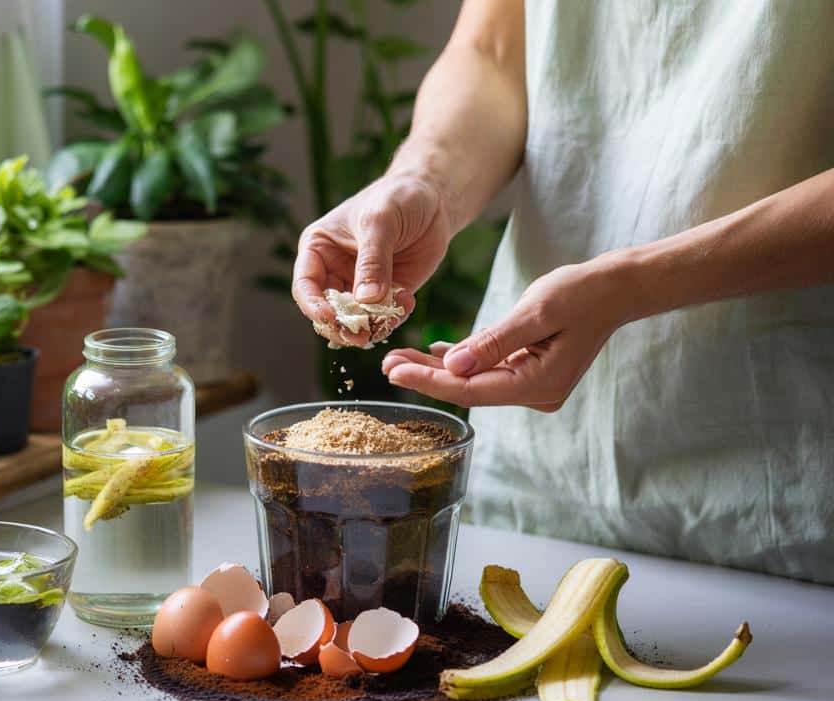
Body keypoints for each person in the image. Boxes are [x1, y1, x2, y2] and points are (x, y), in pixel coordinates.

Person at [292, 0, 834, 584]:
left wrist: (633, 285)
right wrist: (424, 183)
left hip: (780, 479)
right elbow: (493, 52)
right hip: (540, 483)